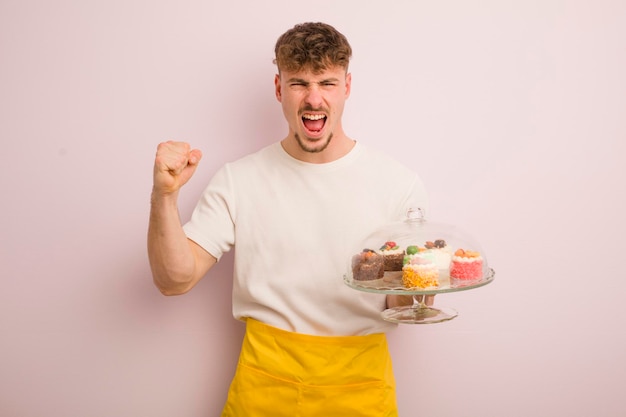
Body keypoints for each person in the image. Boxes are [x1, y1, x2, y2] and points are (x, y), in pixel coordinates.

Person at [148, 22, 429, 417]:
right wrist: (164, 196)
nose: (314, 99)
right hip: (263, 387)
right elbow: (173, 280)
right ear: (279, 89)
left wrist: (423, 288)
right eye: (299, 83)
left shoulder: (399, 185)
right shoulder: (239, 179)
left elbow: (405, 302)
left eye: (327, 83)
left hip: (361, 389)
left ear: (347, 86)